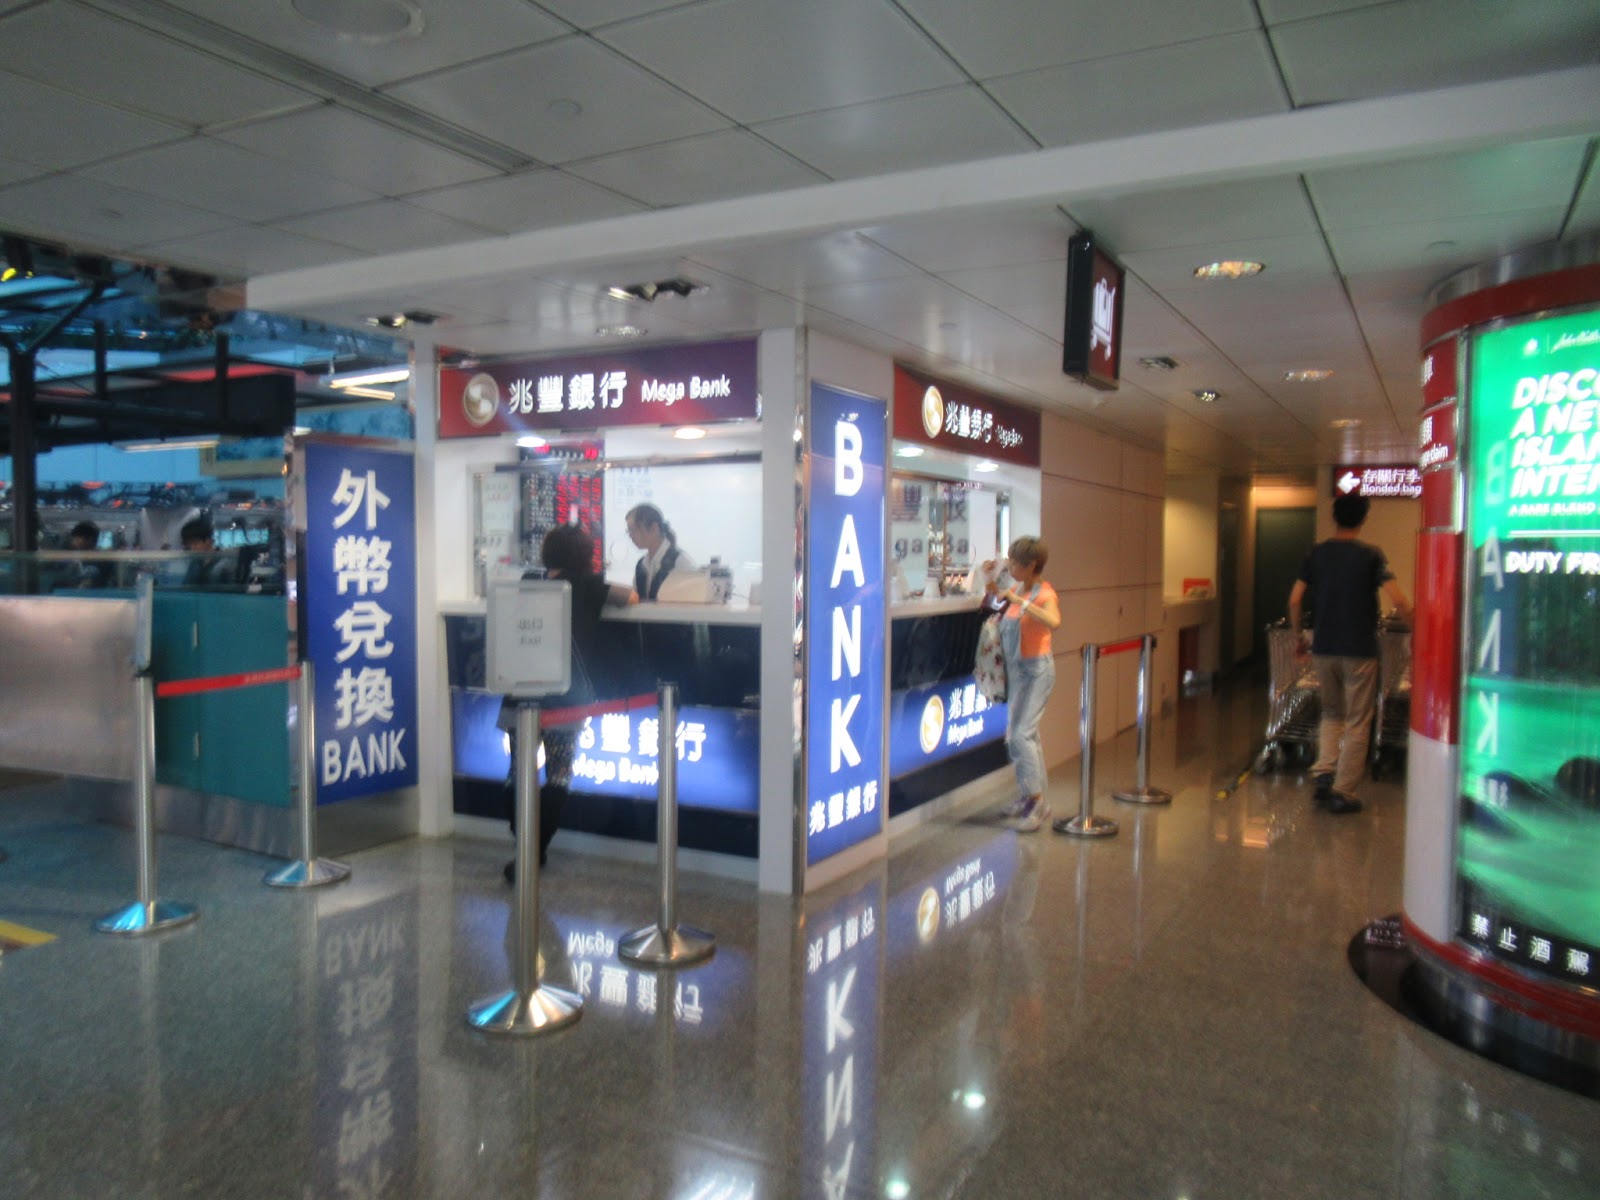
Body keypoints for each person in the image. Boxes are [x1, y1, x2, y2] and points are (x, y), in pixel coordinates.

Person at [504, 523, 636, 881]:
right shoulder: (589, 585)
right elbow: (630, 598)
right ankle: (535, 849)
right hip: (566, 695)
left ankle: (523, 844)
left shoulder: (529, 581)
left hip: (522, 691)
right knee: (559, 774)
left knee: (519, 772)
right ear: (584, 555)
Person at [1287, 492, 1412, 815]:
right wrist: (1417, 629)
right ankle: (1343, 791)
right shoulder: (1371, 555)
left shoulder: (1315, 554)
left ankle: (1324, 773)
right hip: (1359, 650)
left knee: (1331, 713)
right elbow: (1398, 599)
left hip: (1323, 649)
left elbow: (1295, 599)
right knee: (1358, 720)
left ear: (1334, 517)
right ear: (1363, 518)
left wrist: (1299, 637)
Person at [985, 536, 1061, 832]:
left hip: (1037, 671)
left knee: (1021, 735)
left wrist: (1021, 602)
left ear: (1031, 566)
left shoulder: (1044, 593)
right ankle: (1030, 796)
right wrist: (992, 581)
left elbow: (1054, 621)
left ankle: (1036, 802)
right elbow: (996, 598)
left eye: (1015, 562)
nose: (1011, 566)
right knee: (1022, 735)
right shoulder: (1017, 587)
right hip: (1018, 671)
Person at [626, 503, 695, 600]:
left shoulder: (680, 562)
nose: (630, 535)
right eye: (628, 531)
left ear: (654, 528)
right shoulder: (641, 565)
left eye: (633, 530)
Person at [67, 521, 111, 588]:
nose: (74, 542)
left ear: (90, 539)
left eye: (77, 539)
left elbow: (89, 582)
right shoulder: (75, 557)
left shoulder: (99, 559)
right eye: (74, 539)